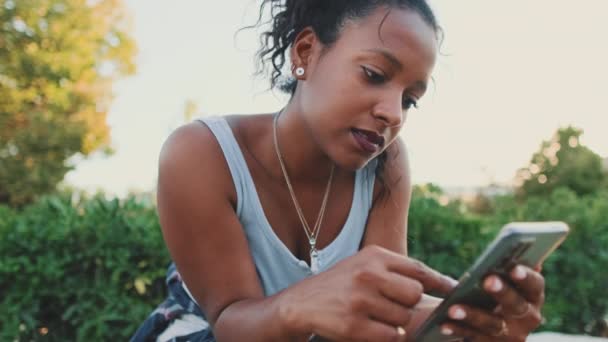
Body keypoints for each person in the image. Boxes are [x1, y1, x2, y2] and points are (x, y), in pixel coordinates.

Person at [132, 1, 545, 341]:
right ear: (306, 52)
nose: (392, 114)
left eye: (410, 100)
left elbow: (387, 319)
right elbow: (229, 322)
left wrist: (473, 320)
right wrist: (305, 303)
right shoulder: (202, 153)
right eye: (375, 75)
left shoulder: (386, 165)